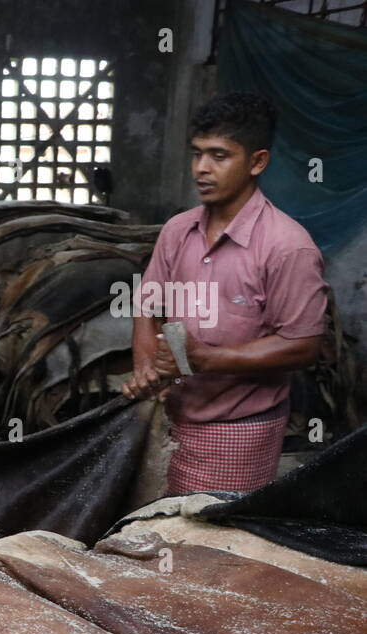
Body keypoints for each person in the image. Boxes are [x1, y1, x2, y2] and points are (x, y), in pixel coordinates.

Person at [123, 92, 327, 495]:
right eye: (197, 154)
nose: (201, 168)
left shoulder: (288, 247)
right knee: (151, 533)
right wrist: (147, 370)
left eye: (219, 156)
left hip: (236, 433)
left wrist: (209, 359)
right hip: (169, 419)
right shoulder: (177, 230)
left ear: (257, 162)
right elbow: (147, 307)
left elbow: (303, 346)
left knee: (212, 543)